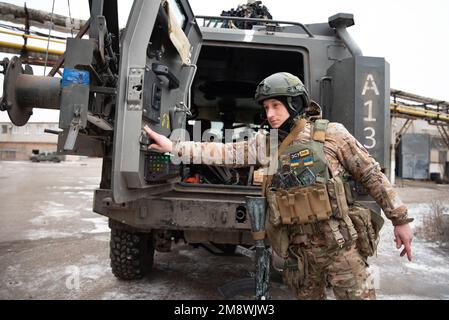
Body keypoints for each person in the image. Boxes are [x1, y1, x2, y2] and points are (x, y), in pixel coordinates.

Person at [144, 72, 413, 300]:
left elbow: (371, 175)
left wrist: (400, 220)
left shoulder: (331, 133)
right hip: (301, 257)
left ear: (295, 102)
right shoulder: (267, 144)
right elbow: (222, 152)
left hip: (341, 250)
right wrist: (174, 147)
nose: (269, 114)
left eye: (275, 105)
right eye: (266, 108)